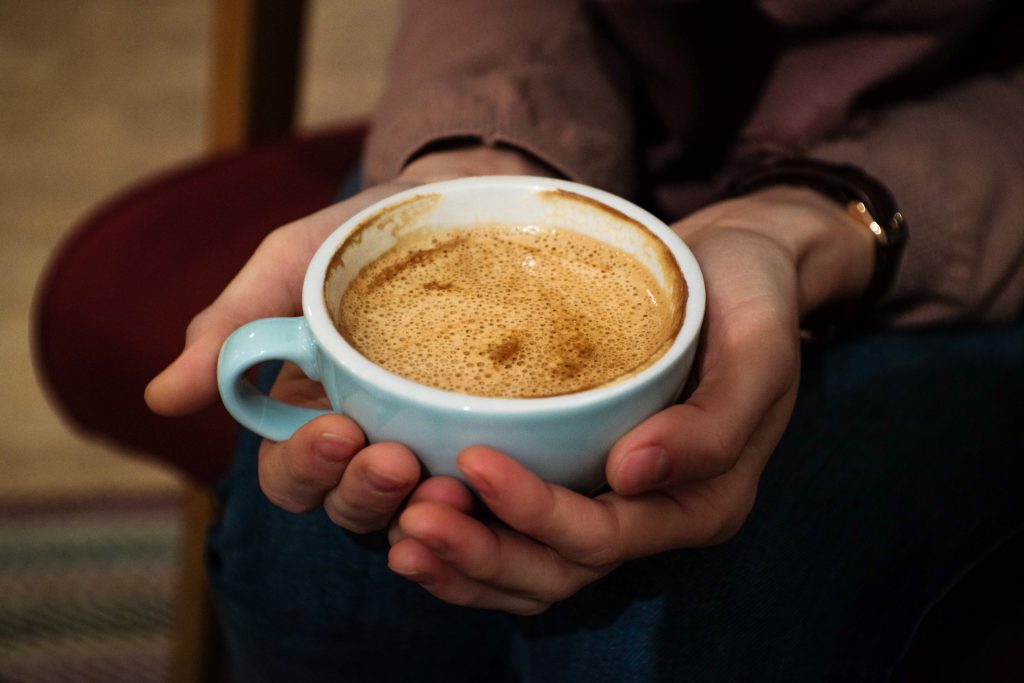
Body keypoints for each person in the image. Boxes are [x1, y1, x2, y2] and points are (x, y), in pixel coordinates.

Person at [146, 0, 1024, 680]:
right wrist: (486, 143)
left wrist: (824, 221)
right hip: (560, 126)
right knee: (311, 566)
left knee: (650, 641)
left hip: (953, 215)